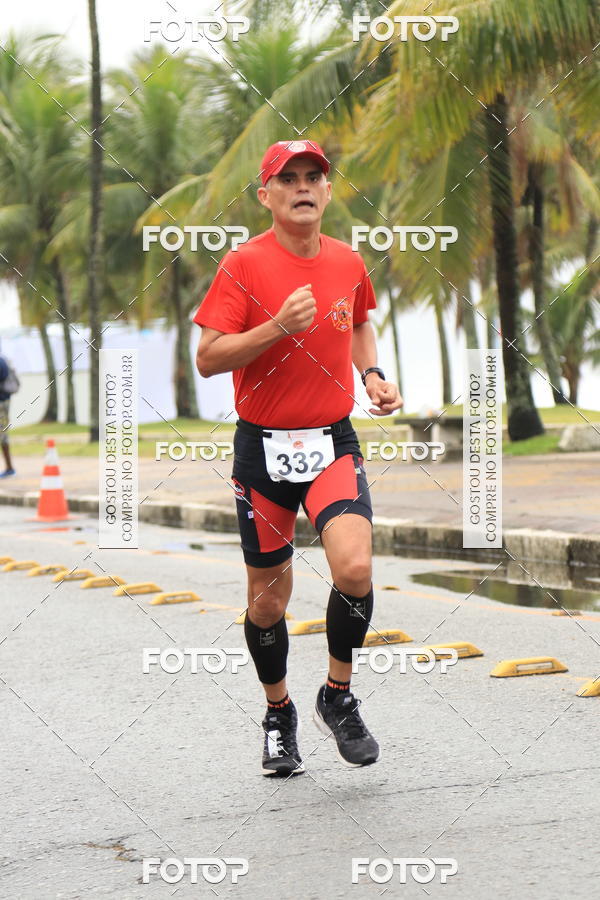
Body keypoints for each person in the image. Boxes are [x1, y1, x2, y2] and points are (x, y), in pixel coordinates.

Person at [194, 140, 403, 777]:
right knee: (267, 604)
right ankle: (279, 713)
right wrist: (276, 328)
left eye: (314, 176)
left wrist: (372, 373)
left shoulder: (346, 260)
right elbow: (208, 358)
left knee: (357, 566)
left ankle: (336, 696)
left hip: (331, 438)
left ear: (329, 191)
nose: (303, 186)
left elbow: (360, 319)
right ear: (267, 196)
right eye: (289, 179)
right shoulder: (243, 266)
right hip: (262, 449)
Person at [0, 354, 17, 478]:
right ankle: (9, 467)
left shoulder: (1, 363)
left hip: (2, 404)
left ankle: (10, 468)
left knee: (3, 435)